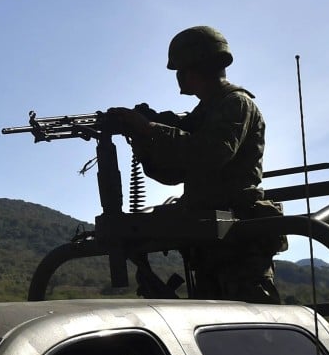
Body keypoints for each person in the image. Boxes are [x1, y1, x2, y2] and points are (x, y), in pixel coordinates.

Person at [106, 25, 286, 304]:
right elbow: (173, 172)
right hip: (209, 243)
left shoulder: (236, 103)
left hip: (239, 242)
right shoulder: (204, 112)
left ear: (196, 66)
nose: (178, 76)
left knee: (255, 336)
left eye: (180, 68)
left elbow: (212, 153)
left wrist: (151, 128)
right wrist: (143, 140)